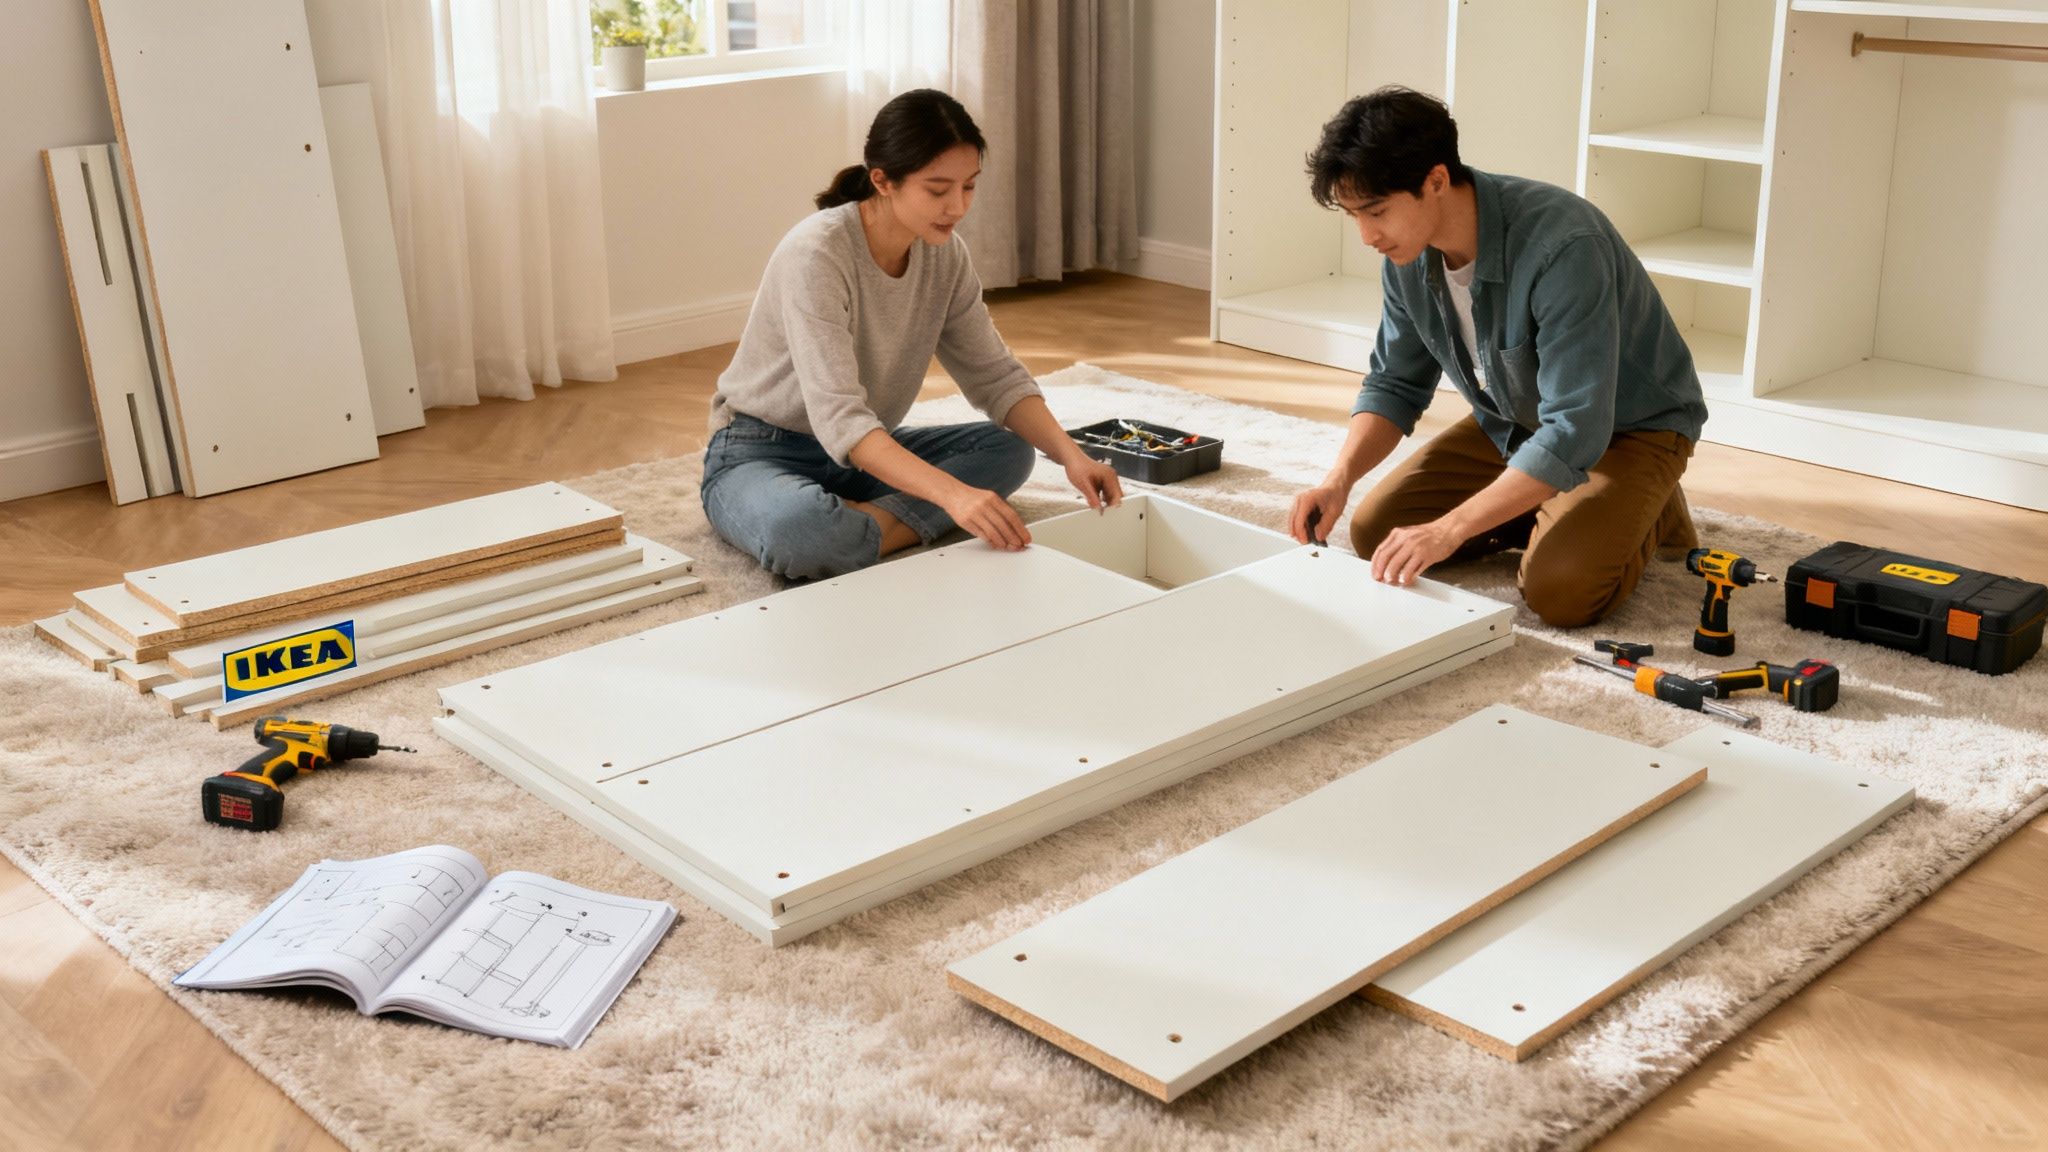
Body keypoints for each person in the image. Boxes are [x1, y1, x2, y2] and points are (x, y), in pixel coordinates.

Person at [1288, 87, 1707, 627]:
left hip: (1630, 428)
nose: (1367, 236)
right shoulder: (1406, 256)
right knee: (1376, 534)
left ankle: (1649, 506)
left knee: (1561, 590)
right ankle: (1557, 503)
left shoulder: (1564, 245)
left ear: (1436, 181)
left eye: (1376, 211)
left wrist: (1451, 528)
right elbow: (1394, 383)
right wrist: (1338, 479)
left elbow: (1574, 429)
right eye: (1354, 216)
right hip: (1516, 418)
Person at [701, 88, 1122, 580]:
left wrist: (1073, 457)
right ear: (883, 180)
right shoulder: (816, 255)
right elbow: (841, 419)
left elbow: (995, 377)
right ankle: (866, 526)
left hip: (861, 454)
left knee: (1008, 450)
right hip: (762, 450)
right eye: (938, 190)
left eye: (969, 186)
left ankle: (857, 527)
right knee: (801, 532)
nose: (957, 206)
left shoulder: (945, 255)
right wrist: (952, 496)